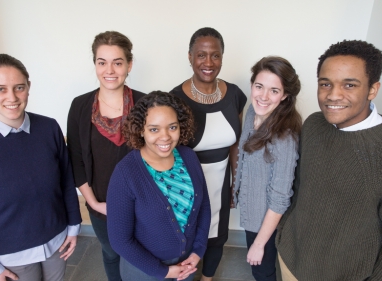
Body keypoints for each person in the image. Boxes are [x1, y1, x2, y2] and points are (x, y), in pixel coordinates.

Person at [276, 40, 382, 281]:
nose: (333, 95)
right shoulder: (314, 125)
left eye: (349, 85)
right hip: (289, 263)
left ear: (372, 89)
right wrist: (284, 232)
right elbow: (298, 189)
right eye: (325, 84)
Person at [0, 54, 82, 281]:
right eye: (0, 89)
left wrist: (73, 226)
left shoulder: (49, 128)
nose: (12, 97)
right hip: (11, 255)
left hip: (57, 241)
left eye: (19, 87)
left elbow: (66, 181)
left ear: (28, 87)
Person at [106, 91, 211, 281]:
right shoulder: (126, 173)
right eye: (154, 129)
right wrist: (164, 272)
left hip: (186, 266)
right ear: (141, 130)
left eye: (172, 127)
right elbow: (120, 241)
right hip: (144, 271)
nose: (165, 137)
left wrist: (197, 252)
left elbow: (203, 207)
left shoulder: (188, 157)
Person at [66, 31, 145, 281]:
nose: (109, 70)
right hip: (100, 204)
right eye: (102, 62)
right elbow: (76, 160)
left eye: (117, 62)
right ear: (95, 65)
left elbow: (159, 156)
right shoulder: (79, 106)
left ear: (129, 65)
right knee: (111, 254)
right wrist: (93, 203)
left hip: (141, 204)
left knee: (140, 257)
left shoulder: (145, 104)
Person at [170, 27, 247, 281]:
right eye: (201, 55)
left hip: (221, 179)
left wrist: (236, 181)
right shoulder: (176, 99)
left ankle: (208, 277)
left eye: (215, 55)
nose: (208, 62)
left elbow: (236, 143)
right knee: (188, 235)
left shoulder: (234, 94)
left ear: (222, 58)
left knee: (217, 234)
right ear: (190, 56)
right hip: (187, 183)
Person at [233, 56, 301, 281]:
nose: (263, 96)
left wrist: (259, 244)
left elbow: (280, 199)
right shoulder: (253, 111)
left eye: (274, 90)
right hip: (252, 212)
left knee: (263, 271)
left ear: (284, 96)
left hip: (267, 221)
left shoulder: (285, 139)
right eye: (259, 86)